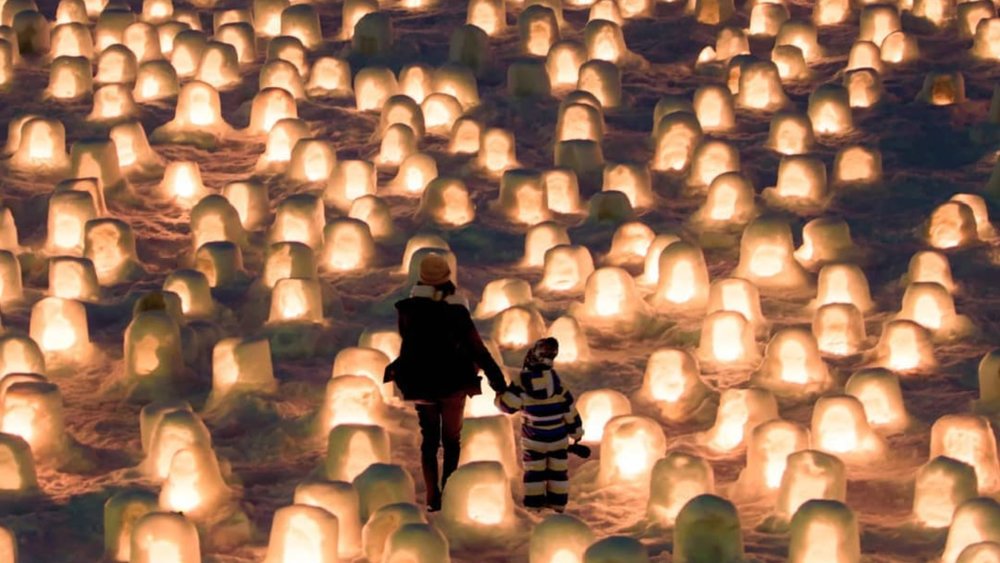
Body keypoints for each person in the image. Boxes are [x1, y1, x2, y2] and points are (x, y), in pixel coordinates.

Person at [388, 254, 508, 512]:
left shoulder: (408, 310)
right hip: (453, 383)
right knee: (451, 440)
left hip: (419, 383)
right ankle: (449, 490)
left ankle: (433, 497)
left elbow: (408, 343)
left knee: (429, 440)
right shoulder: (456, 312)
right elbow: (478, 350)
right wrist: (499, 384)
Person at [497, 337, 583, 513]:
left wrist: (500, 396)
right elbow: (569, 409)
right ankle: (558, 504)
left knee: (535, 473)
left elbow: (507, 405)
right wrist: (576, 432)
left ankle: (535, 504)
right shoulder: (558, 385)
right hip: (558, 437)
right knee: (558, 473)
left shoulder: (521, 384)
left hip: (534, 438)